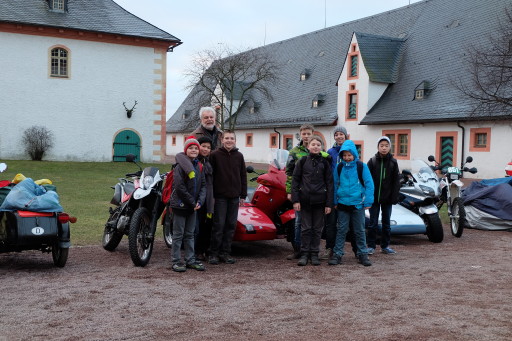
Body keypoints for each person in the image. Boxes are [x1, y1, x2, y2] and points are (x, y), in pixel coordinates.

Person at [329, 140, 374, 267]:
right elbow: (335, 184)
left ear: (354, 154)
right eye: (344, 155)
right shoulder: (339, 167)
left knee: (359, 230)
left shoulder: (361, 166)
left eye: (349, 155)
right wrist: (335, 201)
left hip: (357, 204)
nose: (347, 158)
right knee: (342, 230)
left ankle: (362, 254)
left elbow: (369, 184)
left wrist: (368, 200)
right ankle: (337, 254)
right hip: (343, 203)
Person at [291, 136, 333, 266]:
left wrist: (328, 203)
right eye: (313, 144)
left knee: (317, 229)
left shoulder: (325, 163)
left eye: (318, 145)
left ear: (321, 147)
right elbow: (295, 181)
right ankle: (304, 253)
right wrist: (296, 200)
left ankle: (314, 253)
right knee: (306, 228)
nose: (315, 147)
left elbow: (330, 184)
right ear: (308, 146)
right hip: (305, 201)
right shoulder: (302, 161)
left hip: (320, 202)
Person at [208, 130, 247, 265]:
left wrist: (243, 194)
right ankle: (214, 253)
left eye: (232, 138)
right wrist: (211, 195)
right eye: (227, 138)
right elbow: (210, 177)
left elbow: (243, 175)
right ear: (222, 140)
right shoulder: (214, 155)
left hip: (235, 197)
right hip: (220, 197)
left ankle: (225, 252)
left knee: (231, 225)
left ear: (235, 140)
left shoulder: (239, 156)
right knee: (218, 225)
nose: (229, 140)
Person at [169, 137, 206, 272]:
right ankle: (176, 261)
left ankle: (190, 259)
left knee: (190, 234)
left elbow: (203, 185)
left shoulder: (199, 166)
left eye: (196, 148)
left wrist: (200, 201)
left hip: (193, 206)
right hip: (180, 205)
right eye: (191, 148)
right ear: (186, 150)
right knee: (178, 234)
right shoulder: (180, 167)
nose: (194, 150)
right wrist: (192, 202)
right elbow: (179, 187)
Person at [366, 136, 401, 255]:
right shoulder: (372, 161)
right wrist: (368, 195)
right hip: (374, 198)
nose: (384, 148)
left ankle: (385, 246)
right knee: (372, 223)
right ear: (378, 147)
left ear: (390, 147)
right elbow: (367, 180)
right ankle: (371, 246)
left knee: (387, 223)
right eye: (382, 146)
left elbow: (396, 181)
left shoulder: (393, 162)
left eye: (386, 146)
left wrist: (394, 196)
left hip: (387, 199)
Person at [285, 124, 313, 260]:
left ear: (312, 134)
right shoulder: (294, 152)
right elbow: (289, 172)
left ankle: (311, 250)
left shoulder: (318, 150)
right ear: (300, 134)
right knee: (298, 221)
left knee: (313, 222)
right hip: (300, 191)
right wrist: (290, 191)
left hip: (315, 192)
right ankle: (298, 249)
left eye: (309, 134)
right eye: (304, 134)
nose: (306, 136)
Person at [321, 125, 349, 260]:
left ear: (346, 136)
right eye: (336, 134)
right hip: (332, 191)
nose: (339, 136)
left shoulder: (350, 151)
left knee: (346, 223)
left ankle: (344, 249)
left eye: (341, 134)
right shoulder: (330, 152)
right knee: (331, 223)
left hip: (346, 191)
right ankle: (329, 248)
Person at [194, 136, 214, 261]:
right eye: (203, 146)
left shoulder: (209, 162)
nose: (206, 149)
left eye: (208, 147)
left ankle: (204, 249)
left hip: (209, 199)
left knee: (208, 225)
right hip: (197, 199)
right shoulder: (193, 161)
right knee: (197, 226)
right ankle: (196, 251)